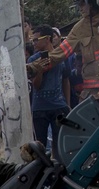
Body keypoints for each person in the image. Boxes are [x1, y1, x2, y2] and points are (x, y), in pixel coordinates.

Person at [27, 0, 99, 101]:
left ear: (92, 3)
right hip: (93, 92)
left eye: (82, 4)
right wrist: (32, 67)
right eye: (78, 4)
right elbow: (59, 53)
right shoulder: (80, 29)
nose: (80, 8)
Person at [27, 25, 71, 160]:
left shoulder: (61, 56)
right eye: (32, 40)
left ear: (47, 39)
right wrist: (39, 70)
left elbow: (66, 80)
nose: (33, 43)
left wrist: (67, 104)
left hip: (59, 107)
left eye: (36, 40)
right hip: (40, 109)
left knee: (60, 146)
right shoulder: (33, 60)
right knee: (40, 148)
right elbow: (36, 86)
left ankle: (59, 174)